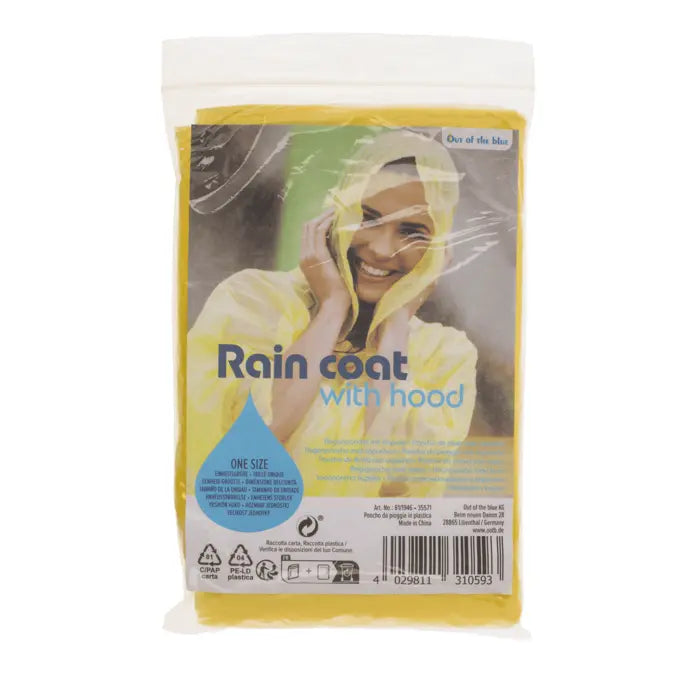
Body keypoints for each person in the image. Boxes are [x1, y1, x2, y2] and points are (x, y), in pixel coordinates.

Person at [187, 129, 477, 497]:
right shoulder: (251, 300)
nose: (382, 249)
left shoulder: (446, 353)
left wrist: (395, 325)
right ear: (334, 217)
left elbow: (398, 478)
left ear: (437, 247)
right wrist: (331, 309)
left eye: (411, 231)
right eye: (367, 218)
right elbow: (248, 448)